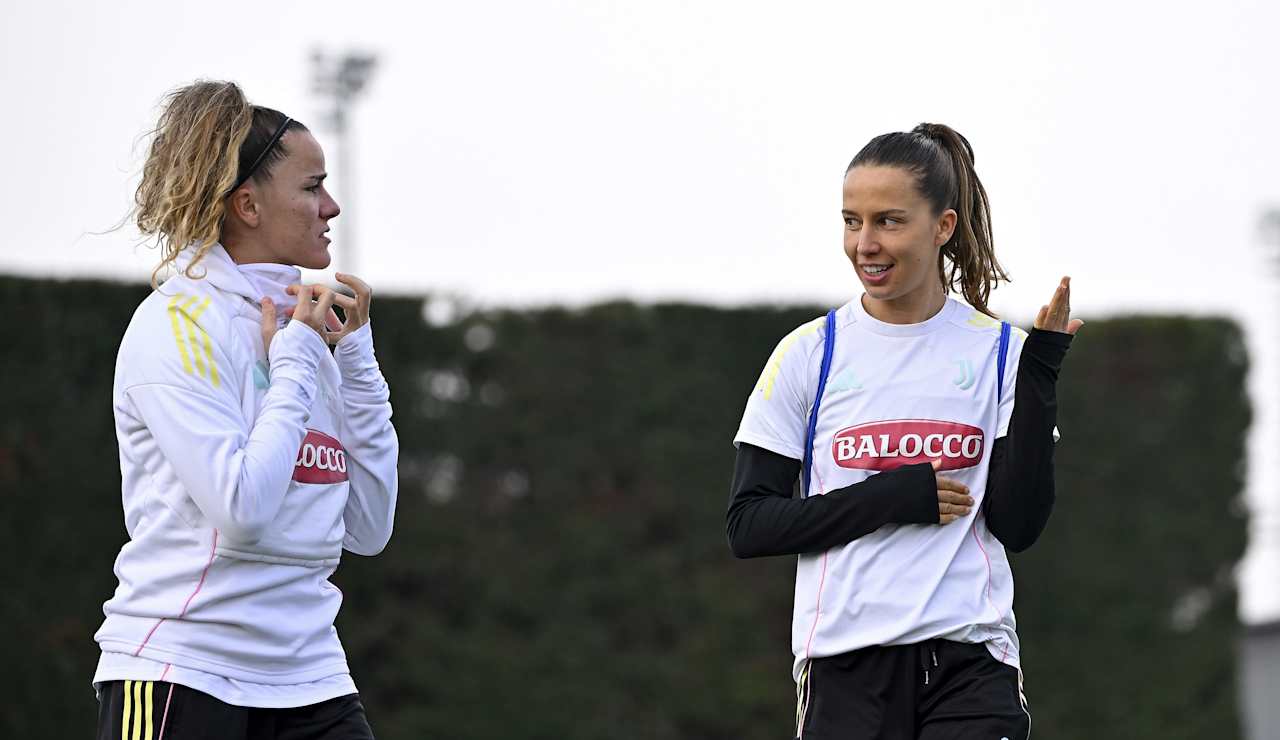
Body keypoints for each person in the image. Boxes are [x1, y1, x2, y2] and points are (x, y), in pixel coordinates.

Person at [726, 123, 1081, 740]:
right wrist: (893, 499)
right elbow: (749, 525)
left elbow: (1019, 525)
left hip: (972, 660)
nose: (865, 243)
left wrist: (1041, 374)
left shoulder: (1002, 352)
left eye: (888, 221)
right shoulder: (809, 353)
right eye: (851, 221)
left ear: (942, 227)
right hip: (844, 667)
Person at [93, 80, 398, 740]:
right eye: (313, 186)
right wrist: (293, 365)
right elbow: (243, 511)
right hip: (180, 670)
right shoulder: (179, 324)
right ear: (249, 205)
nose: (332, 206)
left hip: (312, 676)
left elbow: (369, 527)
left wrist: (356, 360)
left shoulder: (308, 323)